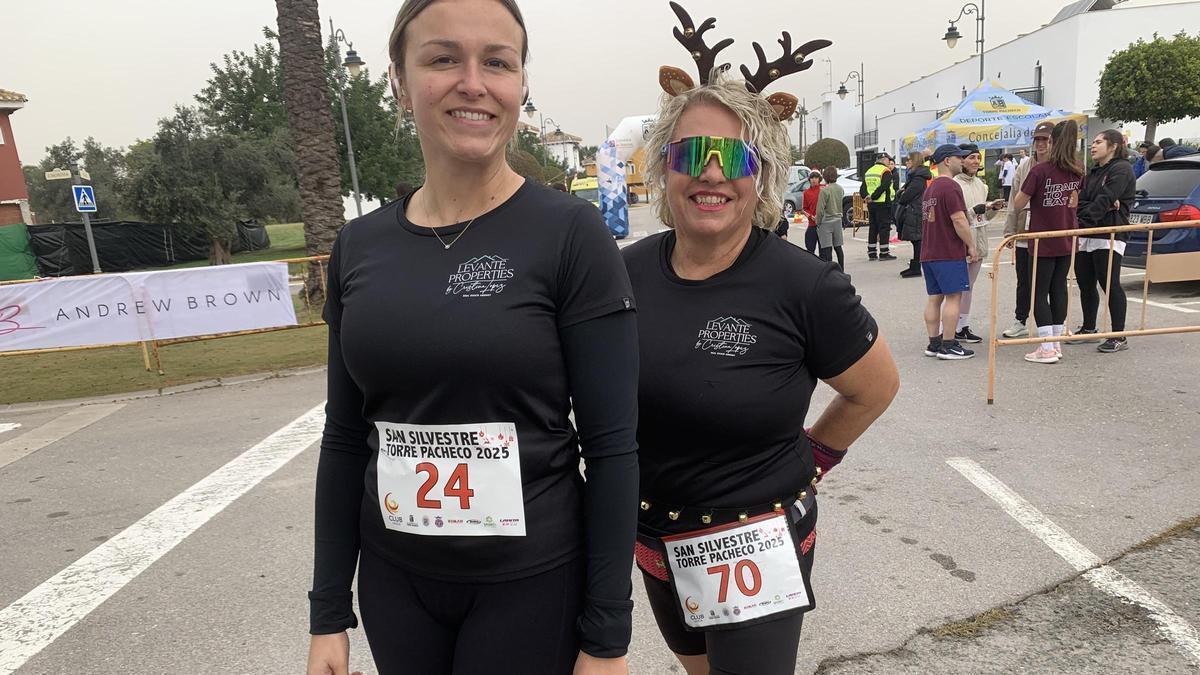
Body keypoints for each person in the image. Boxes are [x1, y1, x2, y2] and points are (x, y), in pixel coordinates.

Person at [306, 2, 638, 674]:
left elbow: (612, 448)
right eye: (442, 58)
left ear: (521, 84)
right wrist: (328, 613)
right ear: (399, 79)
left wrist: (607, 637)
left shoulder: (571, 235)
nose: (473, 82)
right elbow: (344, 434)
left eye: (497, 62)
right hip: (396, 581)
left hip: (530, 581)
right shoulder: (359, 247)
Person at [624, 56, 899, 675]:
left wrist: (814, 459)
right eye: (691, 156)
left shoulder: (804, 284)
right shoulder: (624, 273)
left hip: (754, 539)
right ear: (664, 168)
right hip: (654, 539)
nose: (712, 175)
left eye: (737, 158)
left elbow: (875, 388)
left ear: (764, 173)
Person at [1012, 119, 1084, 364]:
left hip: (1043, 238)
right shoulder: (1077, 168)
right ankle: (1055, 342)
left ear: (1052, 142)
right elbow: (1075, 199)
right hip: (1066, 235)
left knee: (1039, 291)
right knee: (1058, 288)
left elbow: (1019, 203)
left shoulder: (1039, 171)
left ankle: (1046, 347)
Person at [1075, 129, 1137, 353]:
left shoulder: (1121, 169)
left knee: (1109, 283)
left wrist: (1087, 216)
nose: (1093, 146)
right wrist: (1083, 219)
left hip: (1109, 235)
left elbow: (1105, 198)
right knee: (1085, 282)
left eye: (1099, 142)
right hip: (1086, 236)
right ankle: (1089, 328)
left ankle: (1118, 335)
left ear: (1113, 146)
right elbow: (1081, 201)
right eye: (1093, 142)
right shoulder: (1093, 172)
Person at [920, 144, 978, 360]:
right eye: (958, 157)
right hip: (948, 251)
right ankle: (949, 344)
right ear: (947, 160)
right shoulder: (951, 187)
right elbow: (958, 219)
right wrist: (970, 245)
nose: (962, 161)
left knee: (934, 298)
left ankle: (934, 343)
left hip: (929, 252)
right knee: (954, 297)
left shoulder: (930, 189)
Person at [1001, 122, 1054, 338]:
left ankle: (1056, 324)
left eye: (1046, 139)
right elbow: (1015, 199)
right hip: (1026, 229)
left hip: (1051, 232)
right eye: (1038, 139)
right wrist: (1010, 231)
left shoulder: (1062, 165)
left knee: (1051, 282)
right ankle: (1020, 320)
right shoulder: (1024, 166)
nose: (1041, 144)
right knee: (1024, 280)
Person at [952, 143, 1007, 344]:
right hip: (962, 243)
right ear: (962, 160)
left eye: (978, 157)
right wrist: (975, 209)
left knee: (969, 286)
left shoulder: (980, 184)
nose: (976, 161)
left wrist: (992, 208)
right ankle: (950, 327)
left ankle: (962, 325)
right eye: (971, 157)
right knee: (957, 288)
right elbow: (956, 217)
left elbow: (984, 217)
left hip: (980, 241)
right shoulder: (955, 184)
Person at [896, 151, 931, 279]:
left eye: (908, 160)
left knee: (917, 239)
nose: (906, 163)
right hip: (914, 209)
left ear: (914, 161)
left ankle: (916, 267)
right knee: (916, 239)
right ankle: (915, 265)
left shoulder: (918, 177)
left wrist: (901, 194)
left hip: (915, 210)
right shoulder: (916, 175)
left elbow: (906, 196)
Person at [861, 152, 897, 260]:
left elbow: (862, 188)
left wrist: (867, 197)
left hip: (871, 204)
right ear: (884, 160)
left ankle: (872, 253)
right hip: (883, 203)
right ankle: (884, 253)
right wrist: (874, 196)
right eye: (888, 160)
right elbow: (884, 186)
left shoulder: (869, 171)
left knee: (873, 228)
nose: (889, 162)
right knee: (884, 228)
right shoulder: (886, 171)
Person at [816, 165, 846, 270]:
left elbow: (820, 210)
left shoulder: (824, 191)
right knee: (838, 248)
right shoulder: (840, 189)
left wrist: (817, 222)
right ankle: (842, 270)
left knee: (827, 249)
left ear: (825, 176)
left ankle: (830, 272)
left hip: (826, 221)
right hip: (838, 219)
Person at [802, 170, 823, 253]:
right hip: (812, 224)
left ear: (819, 179)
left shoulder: (824, 189)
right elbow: (804, 209)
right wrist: (811, 216)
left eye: (816, 177)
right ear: (809, 179)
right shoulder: (806, 193)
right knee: (810, 249)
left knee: (824, 251)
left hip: (823, 224)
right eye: (812, 178)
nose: (814, 180)